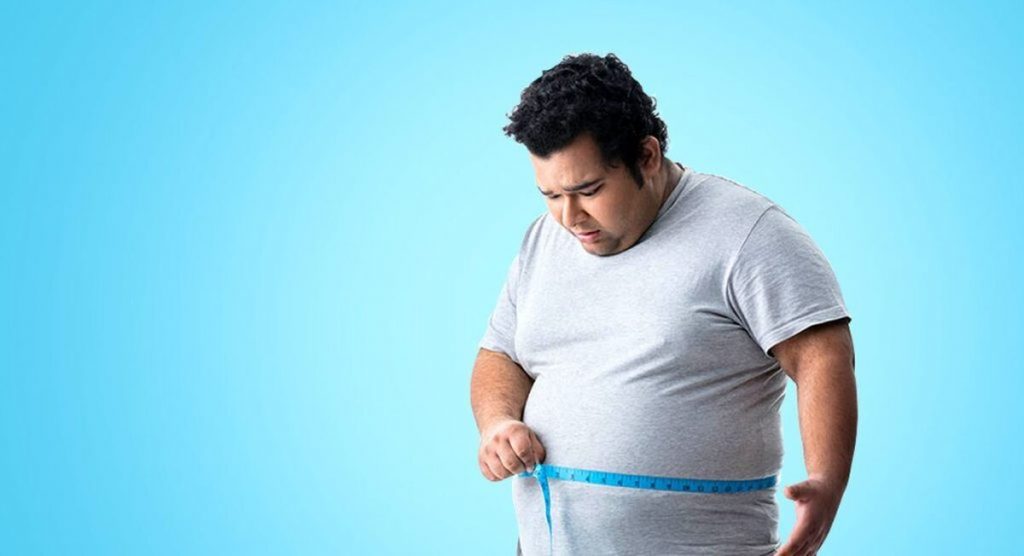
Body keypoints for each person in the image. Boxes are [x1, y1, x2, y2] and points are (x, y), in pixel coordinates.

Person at [469, 52, 857, 556]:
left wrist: (827, 482)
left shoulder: (749, 233)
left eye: (588, 190)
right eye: (551, 194)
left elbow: (822, 354)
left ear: (647, 156)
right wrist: (498, 423)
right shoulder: (544, 239)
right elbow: (501, 354)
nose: (569, 217)